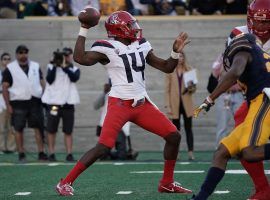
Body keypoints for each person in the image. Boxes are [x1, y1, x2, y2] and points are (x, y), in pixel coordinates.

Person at [55, 10, 191, 196]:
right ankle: (65, 182)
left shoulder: (142, 44)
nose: (135, 28)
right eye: (130, 25)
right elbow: (80, 58)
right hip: (120, 103)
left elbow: (166, 67)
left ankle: (166, 183)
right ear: (119, 29)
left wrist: (175, 52)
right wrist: (84, 29)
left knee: (174, 136)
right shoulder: (106, 47)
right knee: (104, 146)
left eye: (134, 24)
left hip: (141, 104)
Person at [191, 33, 270, 200]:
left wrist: (210, 98)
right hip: (257, 102)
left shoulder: (242, 50)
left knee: (249, 152)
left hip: (264, 101)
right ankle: (200, 198)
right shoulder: (256, 51)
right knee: (222, 152)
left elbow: (234, 72)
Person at [224, 0, 270, 199]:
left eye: (267, 22)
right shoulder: (238, 33)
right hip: (257, 97)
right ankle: (263, 188)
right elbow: (230, 67)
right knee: (242, 138)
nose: (261, 27)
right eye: (257, 22)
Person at [2, 45, 47, 162]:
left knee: (38, 127)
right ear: (17, 54)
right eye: (21, 52)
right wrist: (8, 105)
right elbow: (5, 87)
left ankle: (41, 152)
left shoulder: (35, 66)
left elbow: (42, 82)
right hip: (18, 102)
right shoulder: (10, 68)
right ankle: (21, 153)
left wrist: (44, 95)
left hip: (35, 101)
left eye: (26, 52)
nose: (24, 55)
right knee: (18, 128)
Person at [42, 47, 80, 162]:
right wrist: (54, 64)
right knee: (51, 129)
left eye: (68, 55)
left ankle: (69, 154)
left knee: (68, 130)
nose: (66, 57)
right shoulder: (51, 67)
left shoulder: (74, 68)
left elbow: (74, 78)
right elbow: (49, 80)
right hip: (54, 104)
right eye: (64, 55)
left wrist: (64, 67)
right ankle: (52, 153)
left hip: (68, 105)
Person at [94, 81, 139, 160]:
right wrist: (104, 93)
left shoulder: (127, 93)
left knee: (121, 155)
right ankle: (105, 154)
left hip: (120, 127)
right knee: (104, 152)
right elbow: (96, 106)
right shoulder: (108, 93)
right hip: (106, 125)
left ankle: (110, 154)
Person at [164, 52, 196, 160]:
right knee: (175, 131)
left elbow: (193, 90)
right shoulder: (170, 71)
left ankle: (191, 152)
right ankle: (175, 153)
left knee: (188, 129)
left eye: (182, 56)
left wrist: (191, 87)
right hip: (175, 104)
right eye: (179, 56)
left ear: (184, 58)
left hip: (186, 104)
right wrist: (168, 106)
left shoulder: (189, 70)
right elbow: (167, 90)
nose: (180, 58)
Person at [210, 53, 244, 146]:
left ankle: (239, 148)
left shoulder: (241, 56)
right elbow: (214, 72)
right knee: (222, 124)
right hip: (224, 94)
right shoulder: (221, 57)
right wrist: (222, 67)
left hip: (238, 93)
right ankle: (220, 149)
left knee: (240, 123)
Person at [0, 52, 16, 153]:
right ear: (1, 61)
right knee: (1, 127)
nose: (7, 61)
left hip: (12, 101)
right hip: (1, 101)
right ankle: (1, 147)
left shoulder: (14, 72)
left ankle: (11, 148)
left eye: (8, 59)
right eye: (4, 59)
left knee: (12, 127)